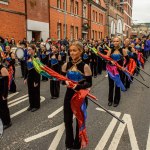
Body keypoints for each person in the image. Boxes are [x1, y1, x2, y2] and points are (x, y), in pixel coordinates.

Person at [62, 41, 92, 149]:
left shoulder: (85, 66)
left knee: (79, 122)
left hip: (80, 97)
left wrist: (77, 86)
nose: (72, 53)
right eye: (70, 50)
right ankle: (68, 144)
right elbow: (61, 79)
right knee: (67, 120)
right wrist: (65, 82)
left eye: (74, 50)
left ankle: (77, 144)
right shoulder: (67, 65)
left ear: (80, 51)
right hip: (68, 96)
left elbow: (89, 83)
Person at [106, 37, 127, 107]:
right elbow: (106, 59)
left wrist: (124, 67)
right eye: (114, 41)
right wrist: (110, 61)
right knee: (111, 85)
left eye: (117, 41)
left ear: (120, 42)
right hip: (111, 71)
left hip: (119, 71)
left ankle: (116, 100)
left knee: (117, 85)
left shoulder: (123, 50)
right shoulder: (110, 50)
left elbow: (128, 60)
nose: (115, 42)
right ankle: (110, 100)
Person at [24, 44, 41, 112]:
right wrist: (25, 78)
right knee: (30, 91)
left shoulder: (37, 58)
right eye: (28, 49)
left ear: (34, 50)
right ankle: (31, 105)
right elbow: (26, 69)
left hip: (35, 77)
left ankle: (36, 105)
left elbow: (38, 70)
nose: (28, 50)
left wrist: (36, 81)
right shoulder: (28, 58)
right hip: (29, 77)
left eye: (30, 49)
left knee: (35, 91)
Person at [0, 57, 12, 129]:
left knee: (3, 107)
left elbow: (6, 82)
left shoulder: (2, 68)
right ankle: (3, 121)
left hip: (2, 91)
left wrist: (5, 94)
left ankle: (7, 122)